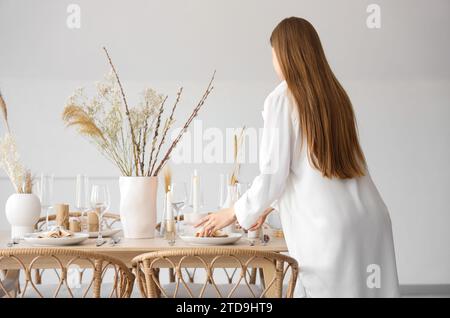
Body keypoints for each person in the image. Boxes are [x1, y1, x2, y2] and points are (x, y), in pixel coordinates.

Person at [195, 17, 400, 297]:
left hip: (330, 231)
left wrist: (233, 211)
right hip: (371, 220)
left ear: (285, 54)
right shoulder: (336, 95)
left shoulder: (282, 98)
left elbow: (273, 174)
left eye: (273, 54)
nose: (273, 62)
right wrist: (269, 208)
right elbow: (318, 169)